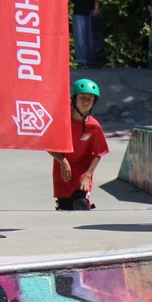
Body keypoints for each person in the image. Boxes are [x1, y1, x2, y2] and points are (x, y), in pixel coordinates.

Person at [49, 78, 109, 211]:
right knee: (65, 209)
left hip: (83, 175)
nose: (86, 102)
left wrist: (88, 175)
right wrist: (62, 160)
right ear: (74, 99)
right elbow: (49, 145)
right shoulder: (62, 122)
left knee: (80, 203)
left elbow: (98, 153)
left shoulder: (94, 126)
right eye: (82, 98)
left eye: (90, 99)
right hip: (63, 174)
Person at [72, 0, 102, 68]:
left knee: (91, 36)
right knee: (80, 36)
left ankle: (91, 59)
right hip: (79, 10)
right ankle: (81, 60)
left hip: (91, 11)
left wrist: (96, 8)